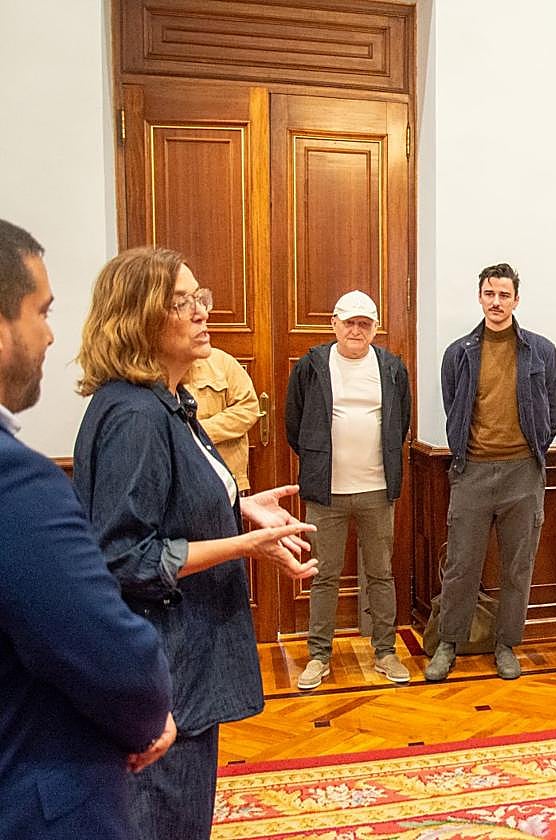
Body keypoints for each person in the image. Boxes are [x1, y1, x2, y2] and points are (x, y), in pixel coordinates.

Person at [72, 246, 318, 840]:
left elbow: (173, 500)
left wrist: (240, 509)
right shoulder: (135, 414)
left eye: (199, 296)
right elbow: (125, 555)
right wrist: (242, 546)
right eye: (183, 302)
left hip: (185, 655)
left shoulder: (170, 402)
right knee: (164, 818)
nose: (202, 312)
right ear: (140, 319)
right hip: (164, 664)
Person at [0, 220, 173, 839]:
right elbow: (112, 656)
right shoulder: (17, 484)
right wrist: (147, 716)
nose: (49, 334)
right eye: (40, 312)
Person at [425, 262, 556, 682]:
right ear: (480, 297)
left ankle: (506, 644)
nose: (497, 302)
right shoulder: (459, 352)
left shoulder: (541, 351)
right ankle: (449, 642)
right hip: (472, 472)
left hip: (524, 472)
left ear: (516, 300)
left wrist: (535, 444)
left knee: (516, 566)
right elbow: (456, 405)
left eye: (505, 295)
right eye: (490, 294)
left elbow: (554, 408)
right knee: (462, 564)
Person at [286, 290, 412, 690]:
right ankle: (318, 656)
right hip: (327, 493)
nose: (357, 330)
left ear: (375, 329)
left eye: (365, 324)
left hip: (378, 489)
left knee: (381, 573)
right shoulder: (312, 365)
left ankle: (385, 651)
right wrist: (320, 460)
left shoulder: (391, 367)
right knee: (324, 575)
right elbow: (294, 423)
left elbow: (401, 421)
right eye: (350, 323)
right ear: (334, 324)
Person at [183, 346, 259, 492]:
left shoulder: (222, 362)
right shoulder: (148, 368)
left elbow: (248, 408)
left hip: (226, 478)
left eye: (203, 322)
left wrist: (196, 432)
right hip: (179, 481)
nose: (202, 328)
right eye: (195, 321)